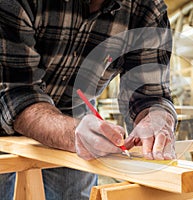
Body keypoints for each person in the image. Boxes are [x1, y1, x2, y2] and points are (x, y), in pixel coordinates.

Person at [0, 0, 177, 199]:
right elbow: (15, 92)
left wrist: (156, 119)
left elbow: (150, 94)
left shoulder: (146, 9)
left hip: (75, 117)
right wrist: (71, 132)